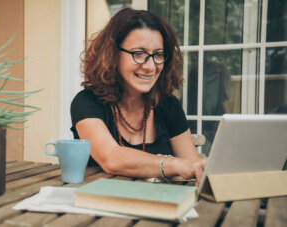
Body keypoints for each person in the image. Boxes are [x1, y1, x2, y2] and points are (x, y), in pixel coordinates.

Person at [70, 8, 206, 186]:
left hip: (159, 207)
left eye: (158, 55)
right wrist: (172, 163)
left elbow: (193, 168)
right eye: (139, 54)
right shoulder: (86, 102)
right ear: (112, 54)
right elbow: (111, 159)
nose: (150, 66)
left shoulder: (169, 105)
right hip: (100, 206)